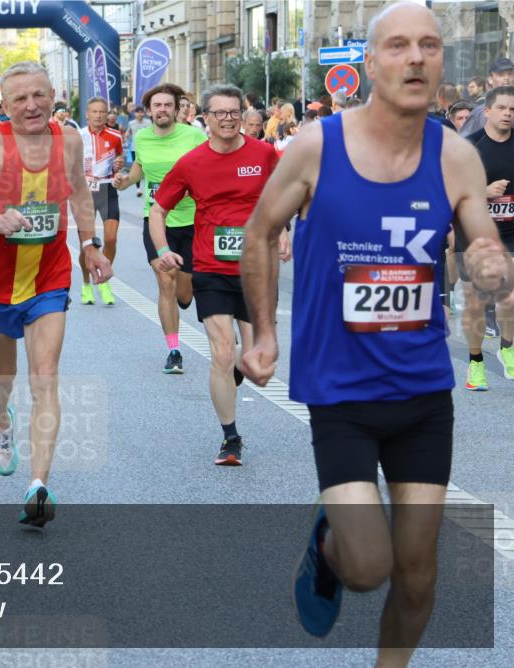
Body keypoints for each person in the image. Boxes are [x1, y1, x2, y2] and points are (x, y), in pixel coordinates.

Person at [240, 4, 513, 661]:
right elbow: (259, 233)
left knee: (417, 571)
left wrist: (489, 262)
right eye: (397, 46)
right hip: (341, 392)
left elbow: (481, 241)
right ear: (369, 62)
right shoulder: (316, 146)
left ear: (442, 64)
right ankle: (329, 548)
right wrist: (264, 337)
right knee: (368, 568)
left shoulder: (454, 157)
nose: (415, 58)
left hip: (421, 392)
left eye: (428, 46)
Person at [0, 61, 112, 527]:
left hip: (48, 279)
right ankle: (1, 422)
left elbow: (78, 193)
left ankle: (38, 485)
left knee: (44, 375)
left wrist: (89, 244)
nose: (32, 105)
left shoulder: (69, 142)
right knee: (2, 375)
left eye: (39, 95)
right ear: (6, 104)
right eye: (20, 99)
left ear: (54, 94)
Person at [150, 84, 288, 465]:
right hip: (210, 267)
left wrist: (285, 232)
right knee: (222, 352)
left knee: (252, 353)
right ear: (205, 118)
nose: (228, 119)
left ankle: (238, 370)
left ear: (243, 117)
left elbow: (282, 195)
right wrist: (163, 250)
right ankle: (230, 438)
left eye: (234, 113)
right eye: (220, 113)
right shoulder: (191, 163)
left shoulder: (263, 154)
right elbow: (158, 210)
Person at [114, 84, 207, 373]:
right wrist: (126, 181)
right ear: (149, 110)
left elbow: (210, 168)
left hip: (192, 221)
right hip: (156, 220)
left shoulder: (193, 135)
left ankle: (186, 293)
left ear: (177, 108)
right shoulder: (141, 137)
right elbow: (140, 167)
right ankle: (174, 350)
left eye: (168, 105)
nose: (163, 109)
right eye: (158, 105)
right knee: (165, 282)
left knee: (183, 291)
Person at [457, 85, 514, 387]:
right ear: (487, 112)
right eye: (502, 108)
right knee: (477, 303)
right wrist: (484, 192)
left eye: (513, 110)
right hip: (474, 234)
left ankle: (507, 348)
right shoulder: (470, 149)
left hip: (510, 233)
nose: (508, 114)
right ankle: (475, 362)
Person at [79, 97, 124, 305]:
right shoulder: (78, 136)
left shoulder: (115, 136)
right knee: (87, 244)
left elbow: (119, 164)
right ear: (87, 114)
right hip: (85, 191)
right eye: (94, 111)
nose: (98, 115)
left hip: (107, 189)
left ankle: (104, 278)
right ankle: (86, 284)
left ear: (107, 115)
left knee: (111, 239)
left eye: (102, 112)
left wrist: (118, 167)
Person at [460, 57, 514, 137]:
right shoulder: (479, 112)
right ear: (490, 79)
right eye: (501, 74)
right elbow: (464, 142)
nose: (506, 78)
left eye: (510, 74)